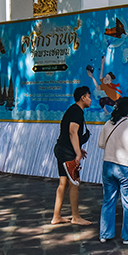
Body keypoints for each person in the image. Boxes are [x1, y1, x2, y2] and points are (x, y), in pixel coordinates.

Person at [97, 96, 128, 245]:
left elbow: (101, 144)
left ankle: (105, 234)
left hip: (108, 165)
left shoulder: (108, 123)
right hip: (125, 167)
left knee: (108, 200)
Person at [51, 86, 93, 226]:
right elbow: (72, 132)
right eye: (89, 96)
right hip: (67, 153)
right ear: (83, 97)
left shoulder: (72, 110)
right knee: (75, 183)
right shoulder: (77, 112)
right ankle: (76, 217)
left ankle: (56, 216)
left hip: (61, 149)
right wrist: (77, 153)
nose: (90, 99)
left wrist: (79, 148)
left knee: (63, 183)